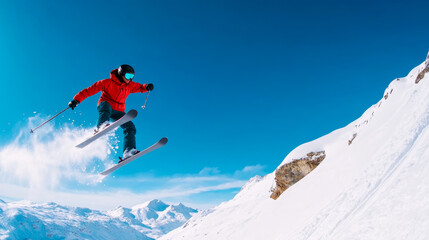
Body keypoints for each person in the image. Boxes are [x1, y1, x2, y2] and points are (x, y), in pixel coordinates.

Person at [68, 64, 154, 162]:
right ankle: (102, 125)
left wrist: (146, 87)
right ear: (121, 74)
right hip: (105, 106)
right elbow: (90, 90)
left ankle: (129, 150)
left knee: (130, 126)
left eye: (132, 77)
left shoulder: (129, 85)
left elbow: (139, 87)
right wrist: (76, 100)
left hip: (118, 111)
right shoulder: (107, 82)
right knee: (106, 105)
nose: (130, 79)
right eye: (128, 76)